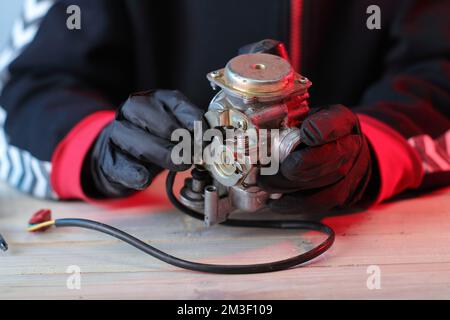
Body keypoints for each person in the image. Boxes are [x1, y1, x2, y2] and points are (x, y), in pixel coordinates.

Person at [0, 0, 448, 214]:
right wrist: (92, 149)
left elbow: (438, 69)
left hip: (372, 241)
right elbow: (30, 88)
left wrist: (375, 155)